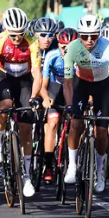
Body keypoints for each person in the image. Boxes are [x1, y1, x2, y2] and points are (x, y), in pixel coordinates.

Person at [0, 7, 42, 198]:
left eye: (20, 34)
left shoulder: (32, 41)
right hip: (5, 76)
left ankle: (26, 176)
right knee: (4, 106)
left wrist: (34, 97)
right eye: (13, 35)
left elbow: (36, 72)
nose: (17, 38)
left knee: (26, 126)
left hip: (25, 79)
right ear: (6, 30)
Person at [62, 15, 109, 193]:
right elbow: (67, 82)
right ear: (79, 35)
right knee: (75, 124)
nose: (89, 40)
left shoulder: (108, 48)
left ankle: (99, 172)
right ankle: (72, 165)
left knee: (102, 132)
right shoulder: (72, 48)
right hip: (81, 84)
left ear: (100, 34)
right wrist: (69, 106)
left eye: (94, 36)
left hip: (102, 86)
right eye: (85, 36)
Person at [40, 28, 77, 182]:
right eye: (63, 47)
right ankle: (48, 165)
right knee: (53, 122)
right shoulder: (52, 55)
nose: (66, 51)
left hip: (74, 88)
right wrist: (45, 98)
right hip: (55, 89)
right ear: (59, 45)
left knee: (77, 123)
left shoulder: (81, 58)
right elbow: (43, 85)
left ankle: (75, 159)